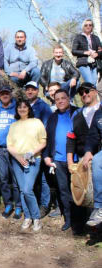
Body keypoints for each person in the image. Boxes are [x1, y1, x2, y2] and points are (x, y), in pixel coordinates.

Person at [43, 89, 81, 231]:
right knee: (63, 191)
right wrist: (46, 156)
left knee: (78, 191)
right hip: (58, 160)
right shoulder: (52, 117)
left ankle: (80, 220)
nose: (60, 101)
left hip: (76, 160)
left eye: (63, 98)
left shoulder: (77, 113)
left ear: (69, 98)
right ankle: (68, 219)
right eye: (57, 99)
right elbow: (47, 138)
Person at [7, 100, 47, 231]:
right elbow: (9, 146)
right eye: (19, 107)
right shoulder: (14, 125)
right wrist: (18, 157)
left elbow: (43, 142)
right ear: (17, 110)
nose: (22, 109)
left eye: (25, 107)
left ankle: (36, 218)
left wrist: (31, 153)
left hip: (33, 159)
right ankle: (27, 217)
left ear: (29, 109)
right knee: (22, 190)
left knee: (27, 189)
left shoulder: (37, 122)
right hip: (17, 160)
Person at [68, 83, 101, 227]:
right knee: (88, 194)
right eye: (81, 93)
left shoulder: (100, 109)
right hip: (86, 158)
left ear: (94, 92)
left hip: (99, 156)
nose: (84, 94)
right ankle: (95, 228)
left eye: (87, 91)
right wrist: (72, 160)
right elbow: (72, 138)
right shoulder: (77, 114)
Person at [0, 86, 21, 219]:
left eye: (6, 93)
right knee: (3, 178)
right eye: (2, 94)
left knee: (15, 179)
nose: (4, 95)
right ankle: (8, 204)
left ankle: (18, 205)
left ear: (10, 94)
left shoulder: (17, 108)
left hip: (14, 149)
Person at [24, 81, 53, 218]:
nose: (30, 92)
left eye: (33, 89)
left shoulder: (43, 107)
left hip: (39, 148)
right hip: (25, 147)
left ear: (37, 91)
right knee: (31, 177)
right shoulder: (24, 105)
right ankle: (33, 202)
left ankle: (45, 204)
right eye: (28, 89)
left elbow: (45, 129)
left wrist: (38, 147)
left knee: (42, 177)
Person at [82, 104, 102, 227]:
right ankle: (99, 207)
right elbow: (93, 136)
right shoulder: (99, 113)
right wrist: (89, 150)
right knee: (97, 161)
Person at [72, 18, 102, 85]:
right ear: (83, 27)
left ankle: (88, 94)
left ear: (92, 27)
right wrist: (85, 52)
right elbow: (73, 51)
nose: (88, 26)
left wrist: (97, 54)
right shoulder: (78, 37)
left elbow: (100, 50)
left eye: (90, 25)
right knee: (90, 82)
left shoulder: (96, 38)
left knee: (94, 84)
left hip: (94, 63)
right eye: (86, 25)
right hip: (83, 62)